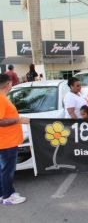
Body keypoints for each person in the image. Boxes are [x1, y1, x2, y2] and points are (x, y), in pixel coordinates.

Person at [0, 74, 29, 205]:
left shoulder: (3, 98)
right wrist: (19, 120)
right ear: (8, 84)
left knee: (4, 169)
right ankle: (7, 196)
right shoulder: (1, 99)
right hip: (6, 141)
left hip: (7, 140)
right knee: (7, 170)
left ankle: (5, 193)